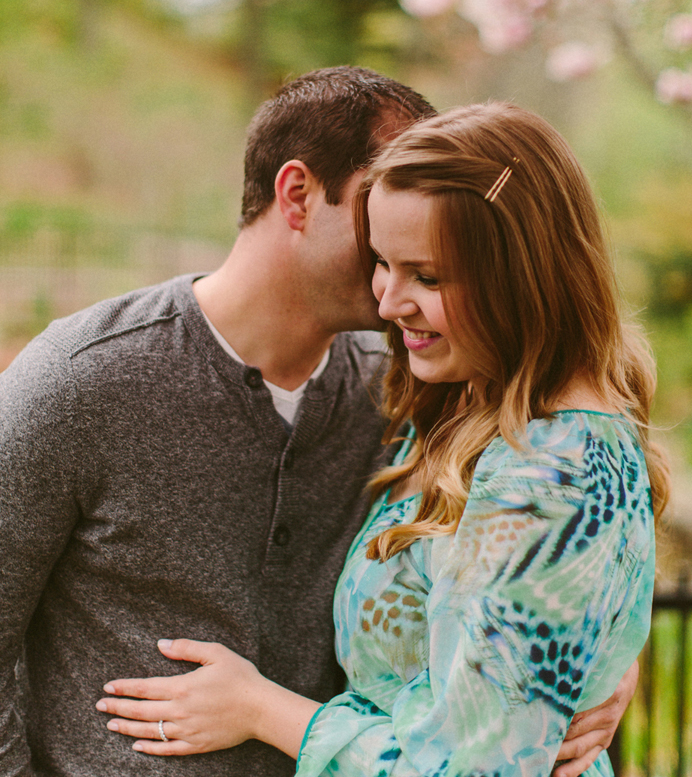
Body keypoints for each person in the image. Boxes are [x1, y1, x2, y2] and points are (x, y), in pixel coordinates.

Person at [0, 73, 632, 777]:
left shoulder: (410, 389)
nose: (397, 274)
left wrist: (594, 660)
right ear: (297, 194)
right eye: (380, 213)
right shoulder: (81, 378)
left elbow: (559, 539)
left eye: (424, 260)